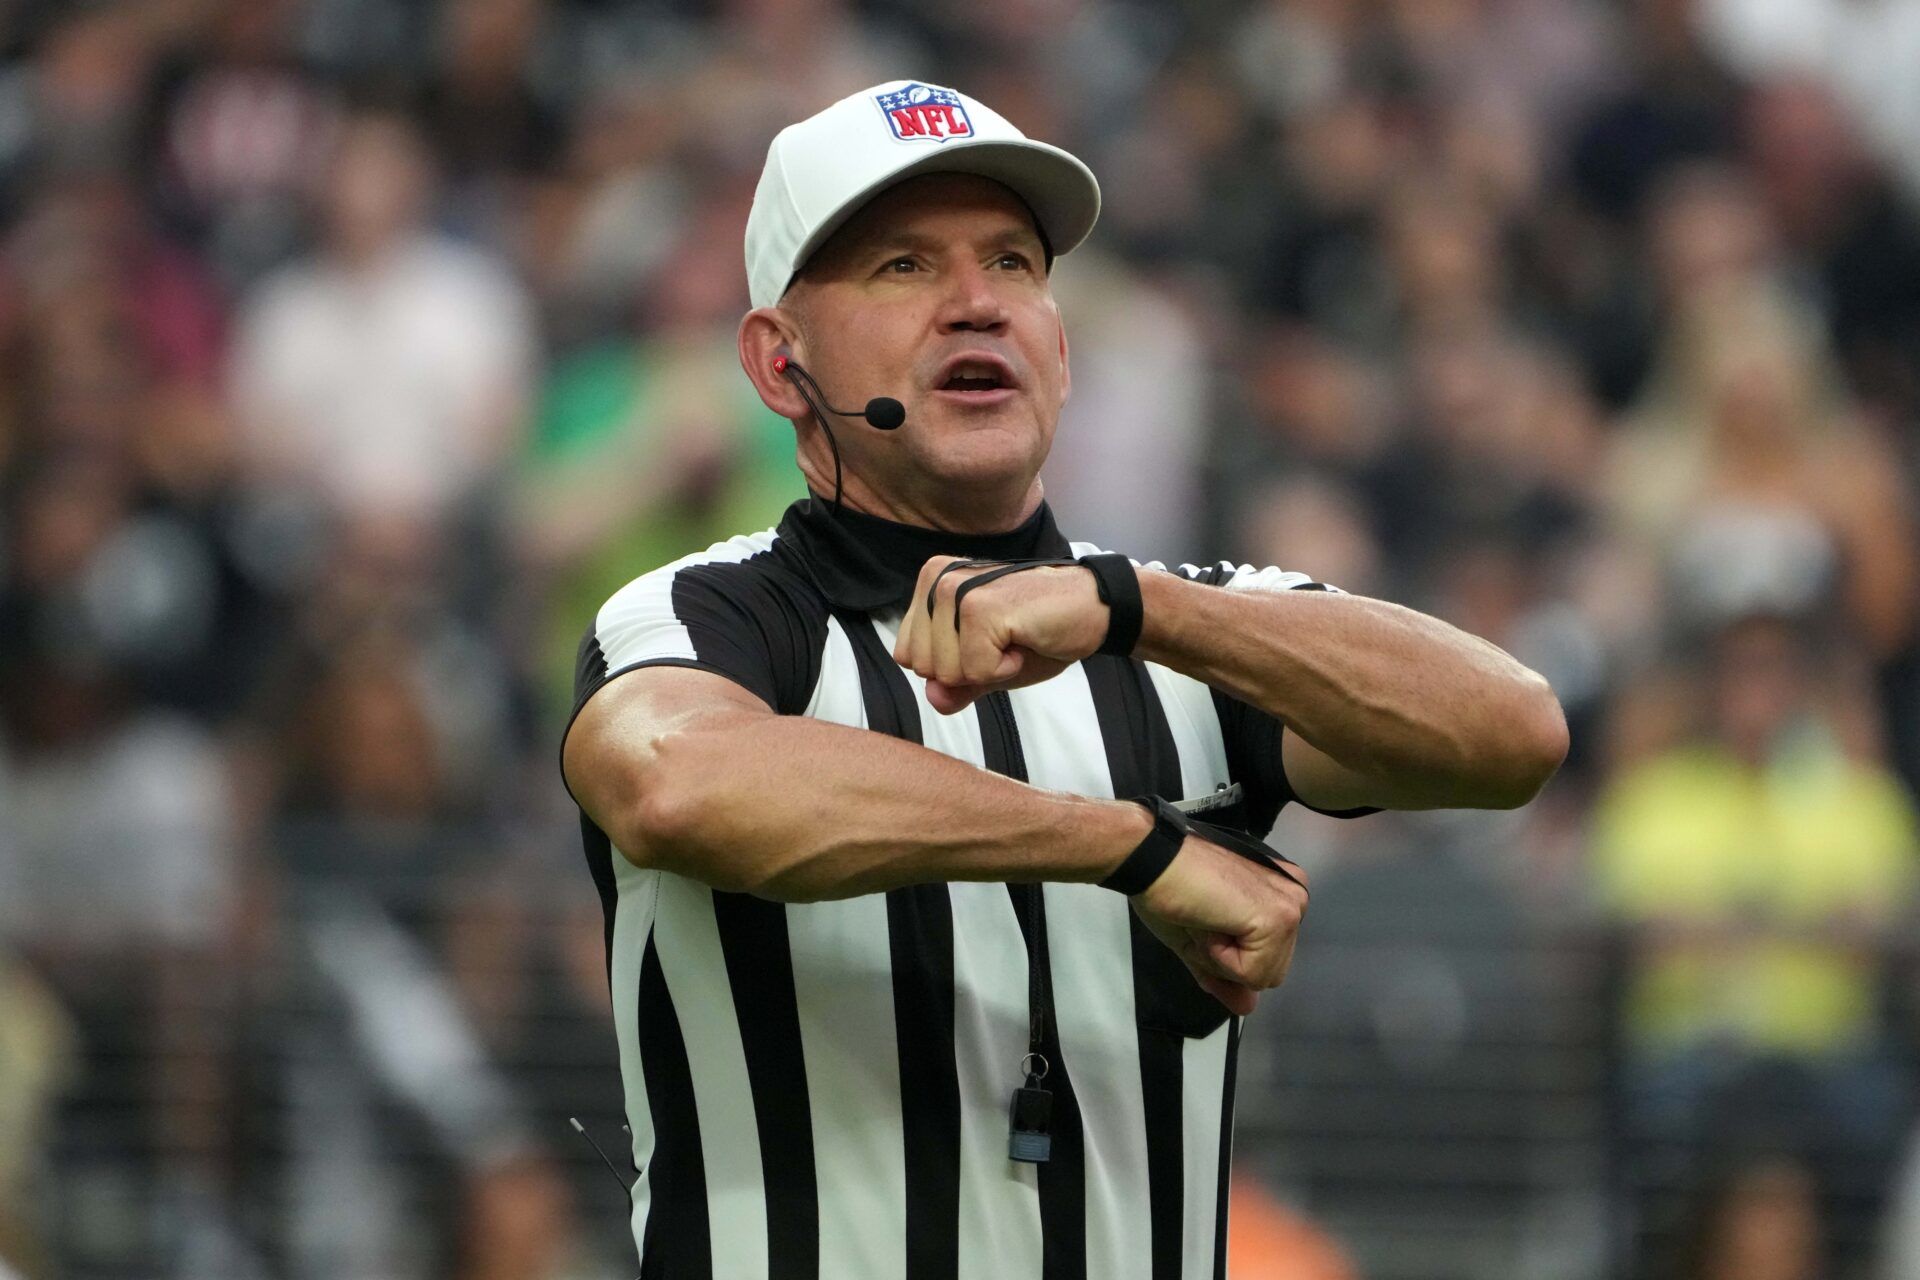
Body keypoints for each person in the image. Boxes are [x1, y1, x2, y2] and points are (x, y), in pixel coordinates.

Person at [560, 79, 1568, 1278]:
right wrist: (1129, 845)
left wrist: (1135, 602)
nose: (976, 303)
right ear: (781, 365)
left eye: (1013, 263)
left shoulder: (1183, 632)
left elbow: (1513, 731)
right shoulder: (708, 612)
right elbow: (679, 783)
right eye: (901, 267)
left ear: (1060, 347)